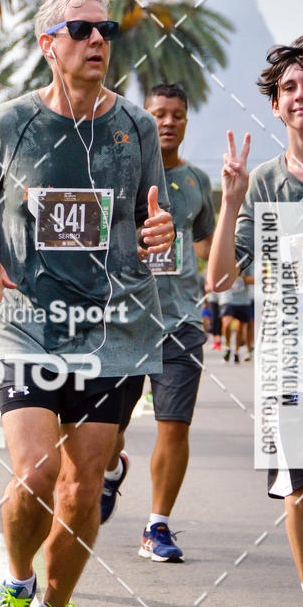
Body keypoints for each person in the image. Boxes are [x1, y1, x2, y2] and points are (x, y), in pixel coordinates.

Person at [0, 0, 174, 607]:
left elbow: (153, 213)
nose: (97, 41)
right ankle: (14, 588)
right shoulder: (11, 121)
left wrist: (159, 231)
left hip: (113, 331)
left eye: (106, 30)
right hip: (27, 321)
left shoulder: (133, 126)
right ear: (49, 43)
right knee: (37, 475)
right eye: (81, 29)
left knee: (83, 491)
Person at [207, 34, 303, 607]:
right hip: (288, 362)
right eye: (289, 89)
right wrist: (228, 204)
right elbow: (221, 280)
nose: (301, 95)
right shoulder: (266, 185)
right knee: (301, 493)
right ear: (276, 108)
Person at [99, 84, 216, 563]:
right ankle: (111, 470)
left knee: (174, 426)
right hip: (123, 321)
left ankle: (157, 526)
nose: (167, 122)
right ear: (141, 120)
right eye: (157, 114)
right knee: (107, 432)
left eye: (176, 115)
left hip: (181, 323)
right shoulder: (115, 178)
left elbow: (208, 248)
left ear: (186, 121)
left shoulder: (196, 184)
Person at [219, 265, 253, 363]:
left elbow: (254, 279)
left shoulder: (247, 260)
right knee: (227, 324)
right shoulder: (223, 258)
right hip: (227, 298)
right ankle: (228, 347)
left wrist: (240, 278)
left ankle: (236, 352)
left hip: (243, 300)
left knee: (239, 330)